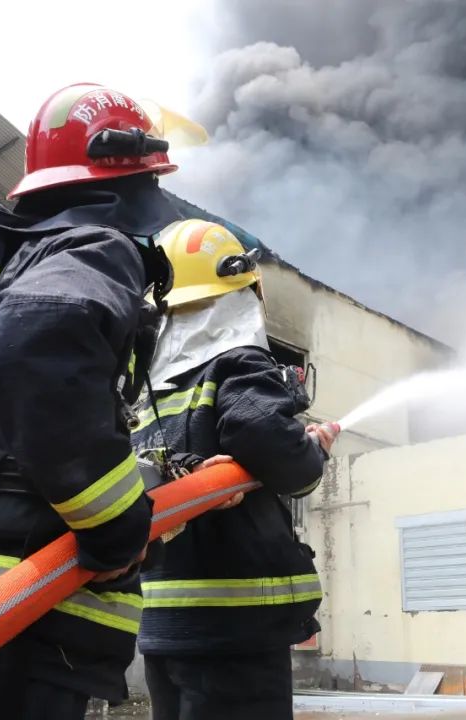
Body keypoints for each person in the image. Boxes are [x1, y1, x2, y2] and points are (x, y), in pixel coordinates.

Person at [0, 84, 182, 720]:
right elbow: (30, 353)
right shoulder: (94, 245)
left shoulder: (21, 257)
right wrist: (116, 530)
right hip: (17, 621)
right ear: (128, 179)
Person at [130, 219, 339, 720]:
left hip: (164, 628)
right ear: (238, 293)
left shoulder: (148, 399)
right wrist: (315, 451)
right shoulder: (237, 364)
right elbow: (273, 448)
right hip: (238, 631)